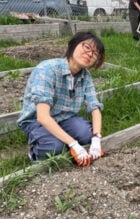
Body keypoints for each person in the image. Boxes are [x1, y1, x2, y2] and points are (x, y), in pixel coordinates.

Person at [17, 31, 107, 167]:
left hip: (65, 118)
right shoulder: (48, 69)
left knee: (86, 134)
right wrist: (73, 144)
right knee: (54, 147)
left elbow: (94, 107)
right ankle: (34, 153)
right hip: (36, 121)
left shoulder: (85, 76)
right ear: (73, 45)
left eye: (95, 54)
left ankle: (62, 138)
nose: (90, 54)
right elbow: (42, 117)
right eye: (87, 47)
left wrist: (96, 138)